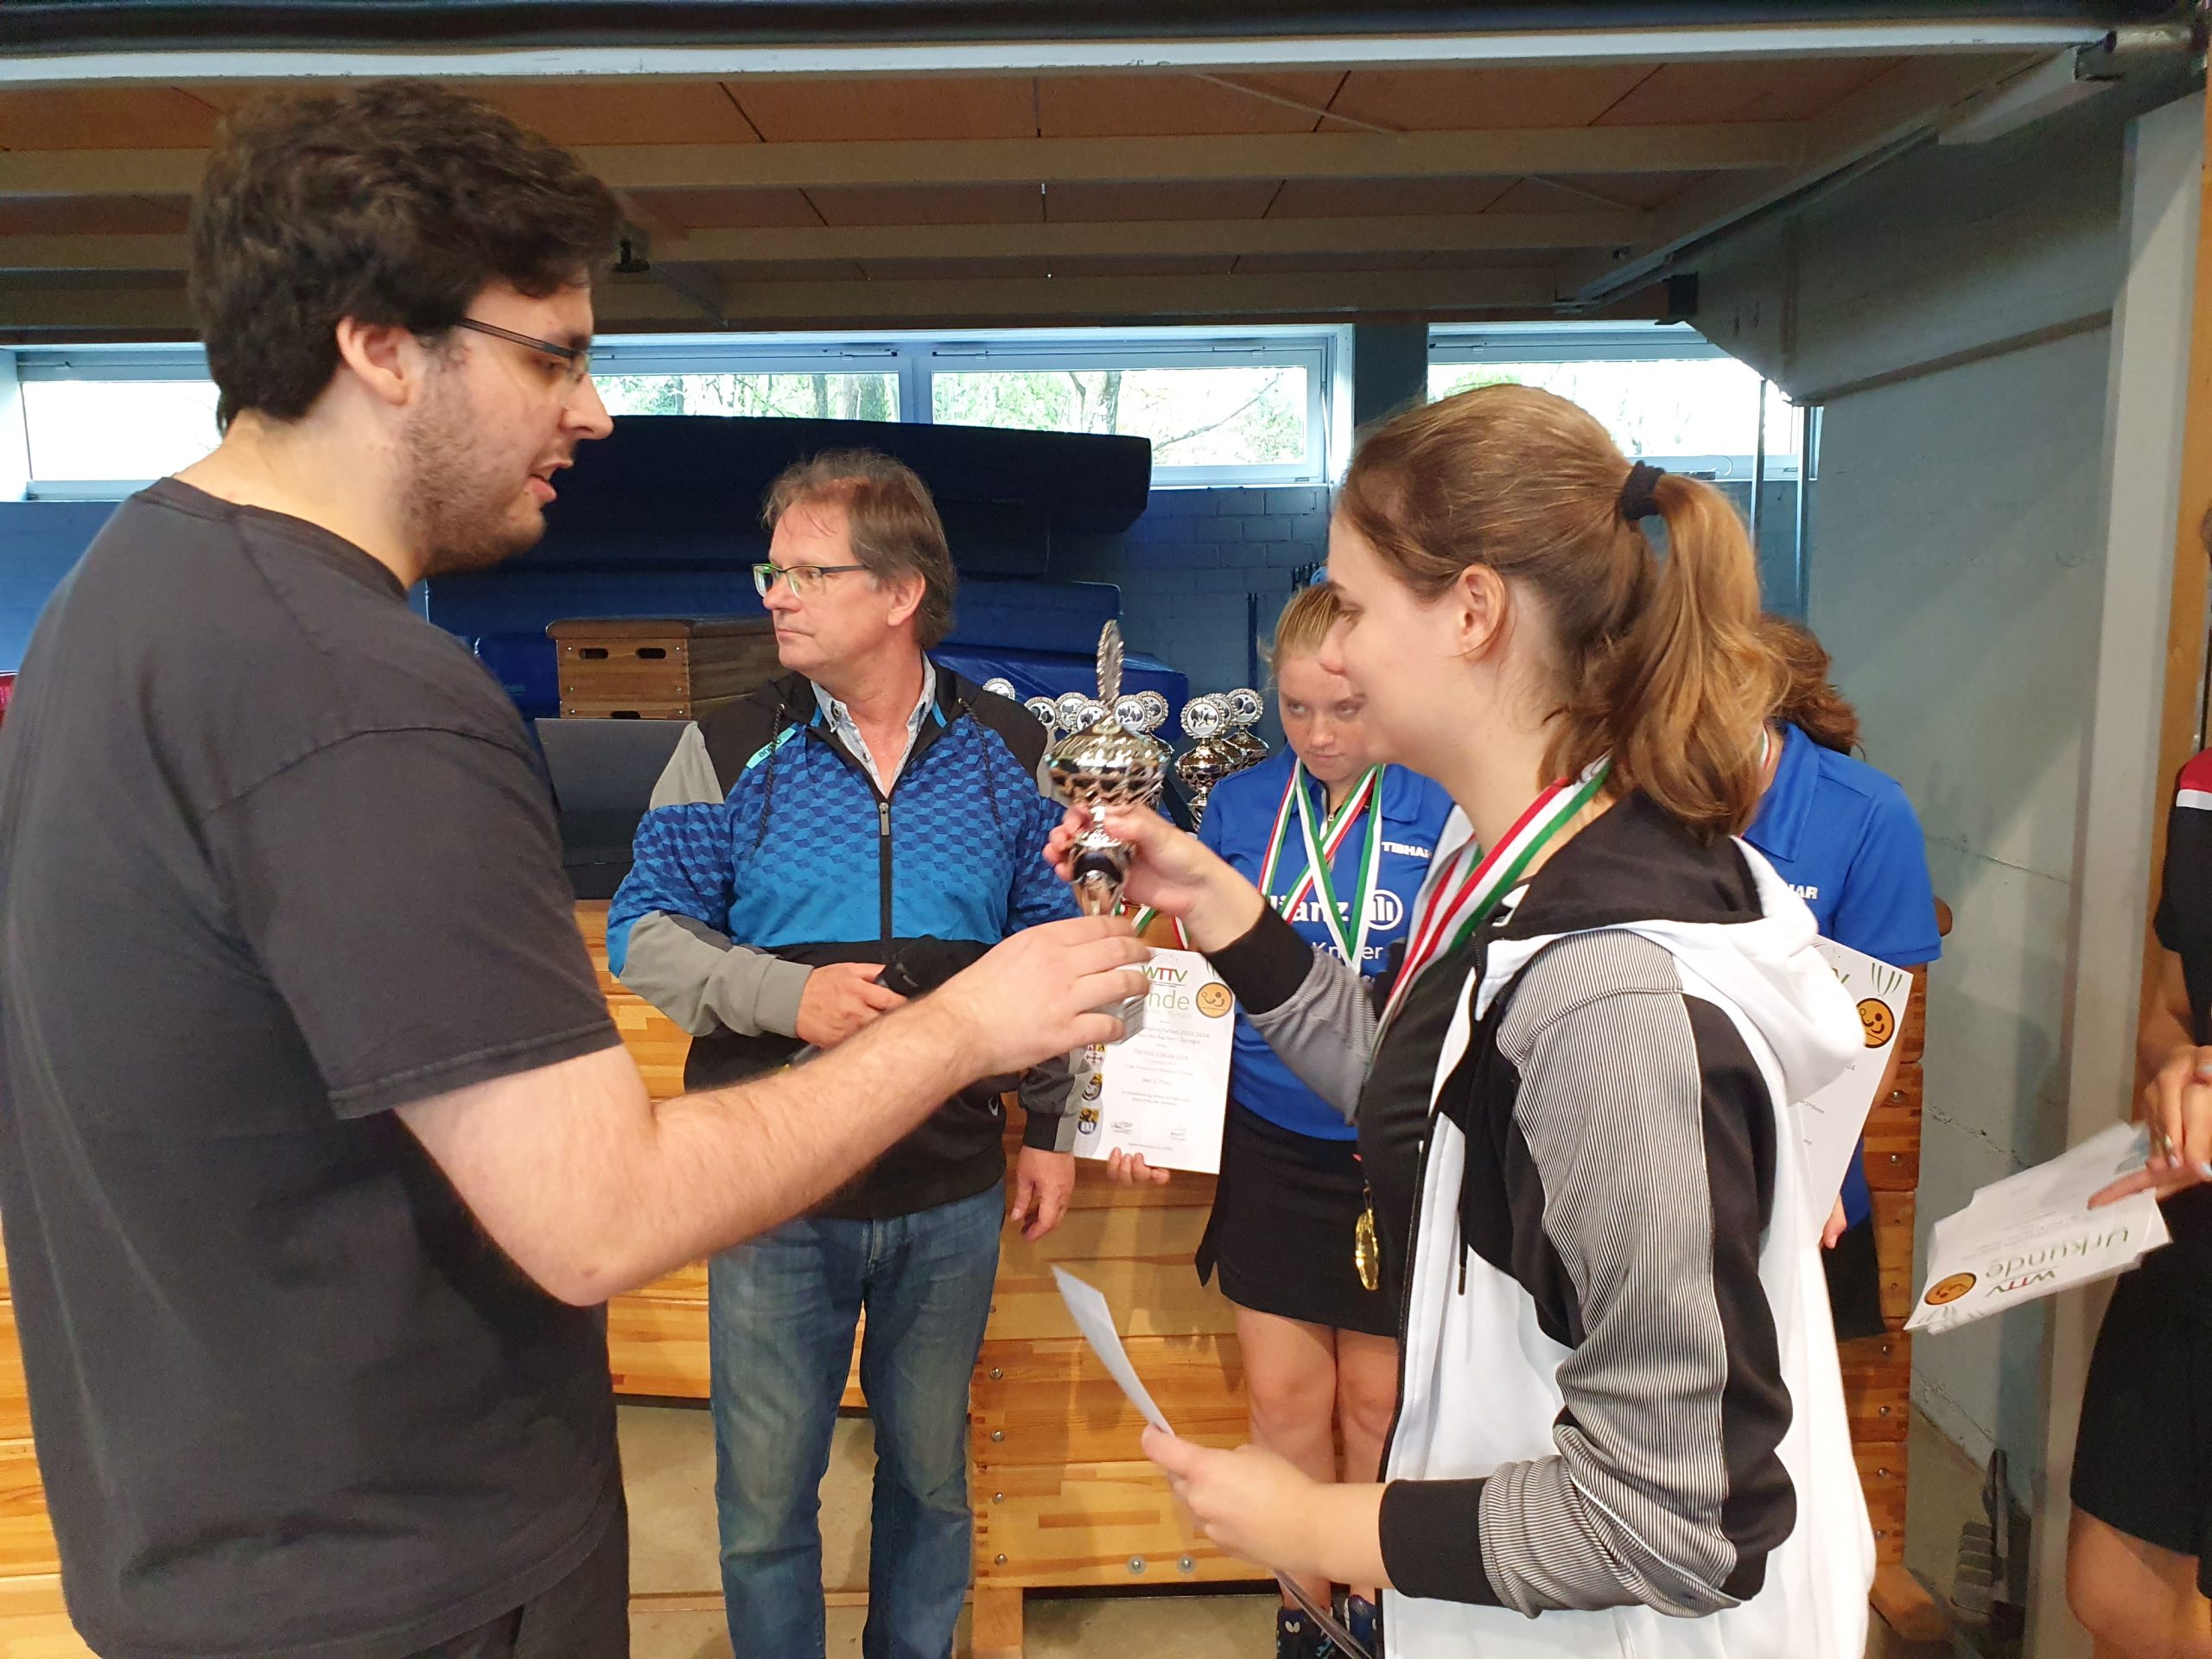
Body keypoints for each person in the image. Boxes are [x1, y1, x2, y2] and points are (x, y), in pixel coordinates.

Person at [0, 82, 1147, 1659]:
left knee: (924, 1480)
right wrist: (958, 1029)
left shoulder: (124, 599)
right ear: (380, 345)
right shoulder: (367, 696)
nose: (593, 412)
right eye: (554, 355)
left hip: (234, 1538)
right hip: (402, 1573)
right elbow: (597, 1213)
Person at [1055, 389, 1872, 1657]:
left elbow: (1680, 1518)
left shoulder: (1610, 996)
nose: (1332, 654)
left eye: (1353, 605)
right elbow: (1423, 1094)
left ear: (1474, 611)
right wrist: (1218, 903)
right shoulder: (1504, 864)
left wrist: (1325, 1522)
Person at [606, 450, 1085, 1659]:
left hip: (949, 1192)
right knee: (767, 1504)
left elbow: (1054, 944)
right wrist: (790, 996)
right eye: (772, 571)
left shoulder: (1010, 746)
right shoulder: (726, 743)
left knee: (930, 1484)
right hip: (770, 1192)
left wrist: (1055, 1124)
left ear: (901, 592)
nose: (777, 594)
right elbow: (644, 931)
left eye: (810, 573)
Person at [1177, 584, 1452, 1659]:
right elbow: (1199, 981)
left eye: (1345, 709)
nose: (1321, 735)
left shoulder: (1442, 803)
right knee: (1285, 1396)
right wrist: (1151, 1112)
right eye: (1296, 709)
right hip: (1271, 1139)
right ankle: (1305, 1615)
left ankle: (1379, 1611)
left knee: (1379, 1404)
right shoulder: (1240, 808)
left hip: (1392, 1146)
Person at [2070, 512, 2212, 1657]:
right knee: (2109, 1589)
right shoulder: (2201, 786)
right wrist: (2171, 1075)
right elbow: (2172, 1004)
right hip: (2192, 1230)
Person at [1745, 615, 1943, 1338]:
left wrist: (1790, 1170)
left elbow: (1874, 1046)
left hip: (1809, 1195)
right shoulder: (1637, 794)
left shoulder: (1864, 811)